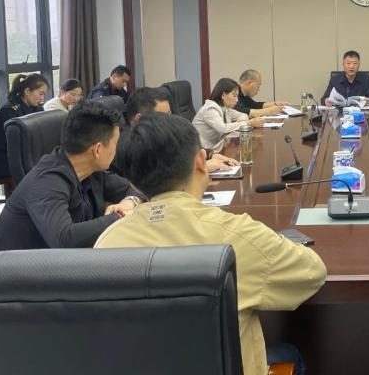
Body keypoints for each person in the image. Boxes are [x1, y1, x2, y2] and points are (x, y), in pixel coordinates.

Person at [96, 112, 326, 375]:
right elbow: (312, 273)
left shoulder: (107, 243)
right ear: (200, 161)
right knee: (290, 352)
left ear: (133, 183)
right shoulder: (237, 235)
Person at [0, 102, 145, 251]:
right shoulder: (47, 182)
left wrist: (129, 202)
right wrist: (117, 217)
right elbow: (64, 239)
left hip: (57, 261)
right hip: (12, 267)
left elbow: (139, 188)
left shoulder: (91, 171)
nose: (116, 150)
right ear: (97, 150)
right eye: (115, 144)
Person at [125, 86, 239, 173]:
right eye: (163, 116)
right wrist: (199, 167)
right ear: (139, 120)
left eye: (169, 114)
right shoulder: (127, 147)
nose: (169, 120)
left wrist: (211, 154)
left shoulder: (159, 133)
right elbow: (156, 177)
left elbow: (182, 149)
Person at [0, 73, 49, 181]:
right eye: (40, 94)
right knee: (44, 170)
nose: (42, 98)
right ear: (27, 91)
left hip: (25, 157)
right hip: (3, 160)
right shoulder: (10, 110)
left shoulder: (37, 109)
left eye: (44, 95)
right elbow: (16, 141)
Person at [193, 77, 264, 152]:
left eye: (237, 96)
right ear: (223, 95)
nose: (237, 100)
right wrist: (248, 123)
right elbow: (223, 129)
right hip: (201, 151)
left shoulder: (225, 109)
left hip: (216, 148)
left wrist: (243, 122)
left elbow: (243, 115)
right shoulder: (210, 109)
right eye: (234, 96)